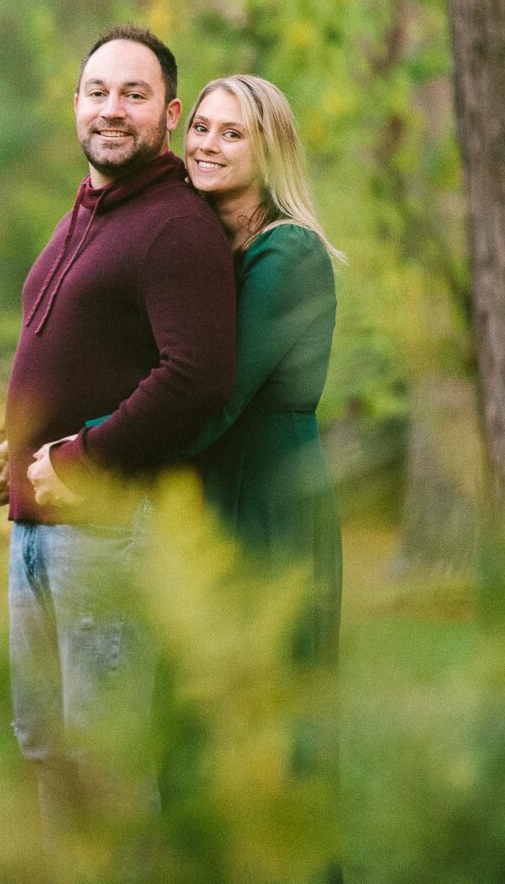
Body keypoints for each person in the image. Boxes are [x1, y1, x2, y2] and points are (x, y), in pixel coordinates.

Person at [0, 26, 237, 834]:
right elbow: (79, 360)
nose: (111, 108)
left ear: (169, 111)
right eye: (97, 91)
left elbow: (195, 377)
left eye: (134, 93)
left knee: (108, 762)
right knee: (48, 748)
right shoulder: (86, 210)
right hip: (39, 530)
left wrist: (82, 458)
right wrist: (2, 457)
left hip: (113, 531)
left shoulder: (176, 225)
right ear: (75, 104)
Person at [179, 74, 344, 661]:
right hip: (213, 486)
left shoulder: (289, 252)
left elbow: (217, 394)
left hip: (268, 495)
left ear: (269, 152)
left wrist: (99, 452)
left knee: (264, 688)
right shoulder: (206, 248)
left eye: (232, 134)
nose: (206, 145)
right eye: (200, 128)